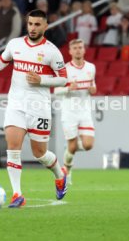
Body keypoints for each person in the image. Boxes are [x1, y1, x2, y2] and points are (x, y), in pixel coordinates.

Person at [0, 9, 68, 208]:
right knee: (13, 147)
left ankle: (59, 174)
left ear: (45, 26)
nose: (33, 28)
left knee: (39, 153)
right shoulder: (15, 44)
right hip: (16, 105)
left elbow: (63, 78)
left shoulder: (52, 51)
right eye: (30, 24)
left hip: (39, 108)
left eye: (37, 24)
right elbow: (2, 61)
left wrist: (42, 80)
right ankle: (17, 195)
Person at [54, 39, 96, 184]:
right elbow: (56, 90)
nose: (78, 50)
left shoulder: (91, 67)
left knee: (88, 145)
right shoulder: (65, 70)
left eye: (80, 47)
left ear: (84, 50)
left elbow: (93, 86)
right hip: (69, 112)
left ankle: (67, 161)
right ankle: (67, 169)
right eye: (75, 48)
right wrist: (67, 88)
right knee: (72, 146)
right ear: (70, 51)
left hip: (84, 112)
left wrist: (93, 90)